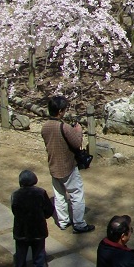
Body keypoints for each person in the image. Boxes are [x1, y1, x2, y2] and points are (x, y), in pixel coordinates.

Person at [42, 95, 94, 234]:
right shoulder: (63, 127)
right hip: (67, 166)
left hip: (53, 165)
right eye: (64, 110)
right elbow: (76, 143)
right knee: (76, 194)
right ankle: (79, 223)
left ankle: (63, 221)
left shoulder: (45, 127)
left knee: (59, 195)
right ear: (59, 111)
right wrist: (78, 131)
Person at [11, 170, 54, 267]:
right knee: (39, 252)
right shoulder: (41, 193)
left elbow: (15, 211)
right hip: (38, 229)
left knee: (20, 253)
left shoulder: (15, 194)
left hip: (21, 229)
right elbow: (49, 210)